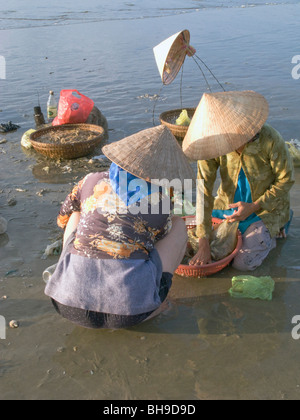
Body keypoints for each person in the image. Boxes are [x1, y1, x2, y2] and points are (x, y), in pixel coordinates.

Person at [44, 125, 195, 329]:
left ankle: (69, 270)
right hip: (132, 312)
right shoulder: (160, 200)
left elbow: (62, 220)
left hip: (65, 301)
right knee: (178, 225)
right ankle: (156, 303)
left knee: (77, 212)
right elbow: (159, 239)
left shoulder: (91, 180)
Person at [182, 90, 295, 271]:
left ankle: (281, 222)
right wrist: (203, 242)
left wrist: (255, 206)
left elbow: (286, 180)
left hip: (265, 208)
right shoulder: (213, 144)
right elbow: (203, 190)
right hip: (227, 206)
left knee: (242, 264)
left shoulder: (270, 139)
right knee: (186, 239)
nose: (252, 134)